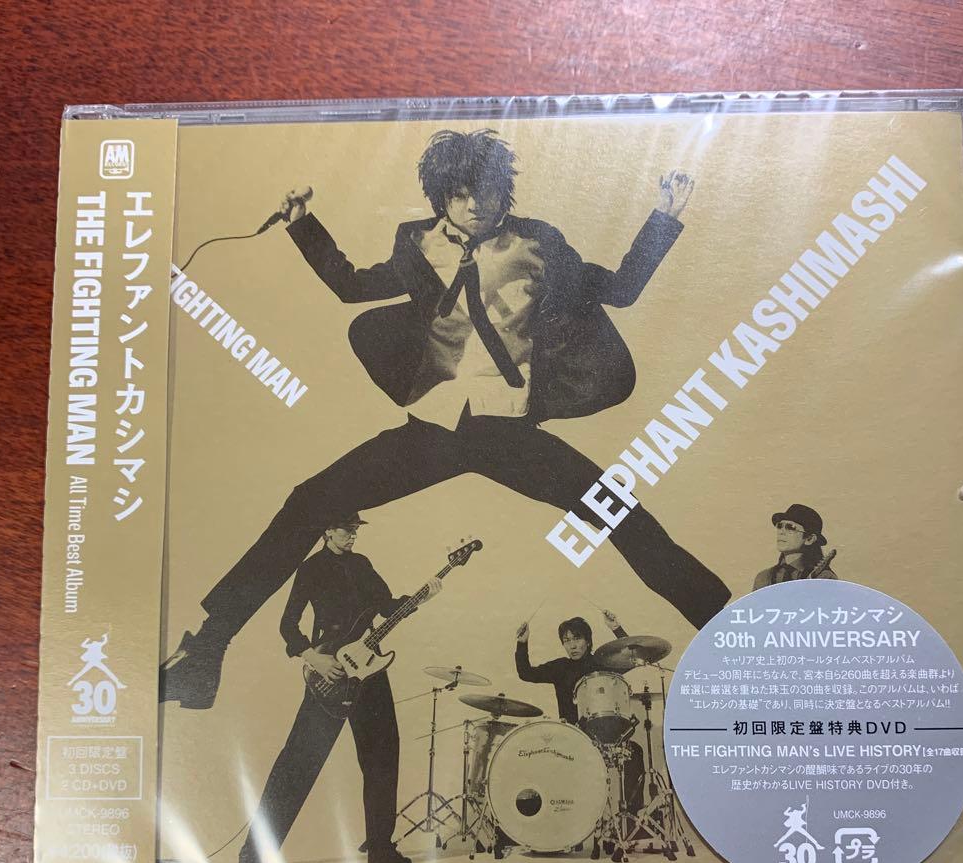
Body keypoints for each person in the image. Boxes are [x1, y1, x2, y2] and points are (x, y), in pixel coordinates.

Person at [161, 128, 730, 711]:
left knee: (620, 515)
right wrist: (304, 224)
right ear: (441, 196)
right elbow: (352, 286)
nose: (474, 204)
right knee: (309, 502)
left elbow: (620, 289)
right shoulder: (416, 242)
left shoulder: (538, 242)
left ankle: (730, 634)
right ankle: (205, 653)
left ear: (504, 190)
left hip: (509, 432)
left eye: (485, 190)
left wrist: (664, 216)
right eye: (459, 194)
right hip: (434, 429)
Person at [235, 512, 439, 863]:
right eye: (347, 530)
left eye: (356, 530)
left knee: (382, 755)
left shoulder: (362, 564)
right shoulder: (310, 569)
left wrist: (421, 597)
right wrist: (314, 658)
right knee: (299, 759)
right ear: (328, 530)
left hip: (370, 669)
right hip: (329, 671)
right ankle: (255, 854)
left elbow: (386, 606)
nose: (353, 536)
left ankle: (380, 847)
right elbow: (288, 624)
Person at [515, 611, 645, 812]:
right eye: (566, 641)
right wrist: (522, 643)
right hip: (572, 737)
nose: (572, 645)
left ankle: (632, 817)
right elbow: (525, 673)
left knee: (634, 752)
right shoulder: (560, 667)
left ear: (588, 641)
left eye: (577, 638)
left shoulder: (603, 662)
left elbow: (632, 658)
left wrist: (616, 629)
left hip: (604, 735)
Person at [752, 503, 837, 590]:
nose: (781, 532)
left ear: (810, 539)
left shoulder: (824, 578)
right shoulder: (763, 578)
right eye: (780, 526)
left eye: (791, 527)